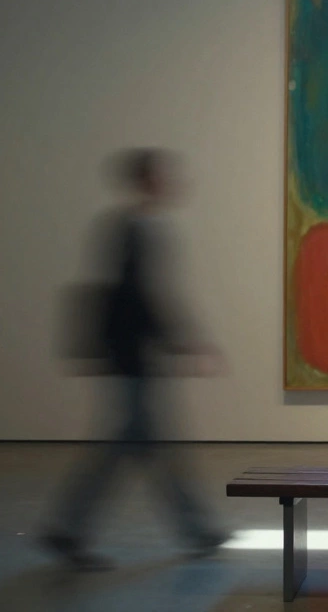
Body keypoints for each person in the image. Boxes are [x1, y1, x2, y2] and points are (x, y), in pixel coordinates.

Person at [42, 148, 228, 570]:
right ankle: (71, 528)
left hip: (134, 356)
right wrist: (184, 341)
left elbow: (135, 294)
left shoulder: (135, 226)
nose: (170, 183)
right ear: (146, 181)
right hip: (133, 357)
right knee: (140, 447)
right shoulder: (134, 228)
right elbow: (140, 296)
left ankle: (71, 528)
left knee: (141, 446)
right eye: (162, 176)